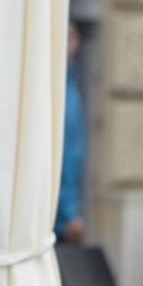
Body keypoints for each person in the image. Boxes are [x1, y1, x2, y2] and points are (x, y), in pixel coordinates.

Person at [56, 22, 86, 244]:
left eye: (73, 35)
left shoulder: (71, 83)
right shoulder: (56, 89)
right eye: (66, 36)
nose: (73, 41)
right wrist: (67, 212)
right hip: (57, 219)